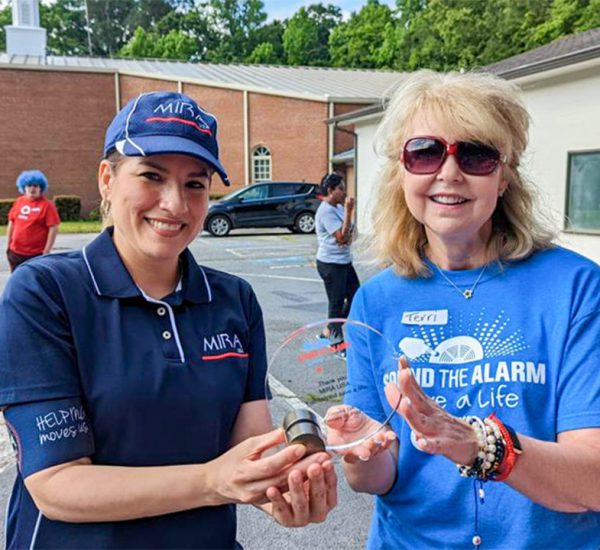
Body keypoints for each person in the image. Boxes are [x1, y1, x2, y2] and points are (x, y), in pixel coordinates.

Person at [0, 91, 336, 549]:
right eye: (151, 176)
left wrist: (283, 487)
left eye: (195, 184)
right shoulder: (45, 293)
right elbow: (57, 484)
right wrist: (212, 481)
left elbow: (250, 445)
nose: (175, 204)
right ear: (107, 179)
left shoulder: (234, 300)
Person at [325, 70, 600, 549]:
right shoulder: (376, 299)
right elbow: (375, 478)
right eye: (425, 152)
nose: (448, 173)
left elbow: (592, 480)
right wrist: (359, 448)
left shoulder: (574, 287)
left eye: (475, 155)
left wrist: (480, 446)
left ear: (505, 174)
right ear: (401, 171)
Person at [315, 173, 360, 344]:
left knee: (355, 296)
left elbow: (350, 233)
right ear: (330, 190)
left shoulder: (339, 208)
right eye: (340, 189)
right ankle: (336, 343)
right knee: (336, 302)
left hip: (344, 262)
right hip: (331, 264)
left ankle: (329, 329)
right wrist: (349, 212)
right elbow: (341, 237)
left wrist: (347, 228)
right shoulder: (325, 211)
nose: (344, 192)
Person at [6, 170, 60, 272]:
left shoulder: (47, 205)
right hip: (16, 252)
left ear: (41, 188)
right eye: (29, 185)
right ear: (23, 187)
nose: (32, 188)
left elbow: (53, 228)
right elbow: (11, 222)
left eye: (35, 186)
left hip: (36, 254)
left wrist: (46, 251)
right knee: (16, 280)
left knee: (33, 281)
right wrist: (8, 245)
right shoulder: (19, 201)